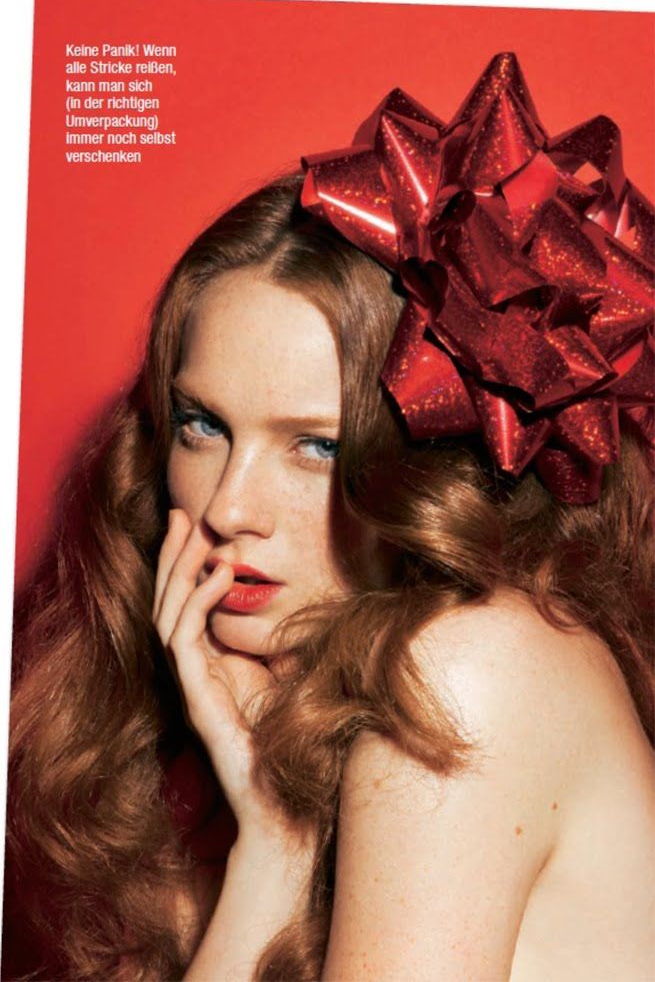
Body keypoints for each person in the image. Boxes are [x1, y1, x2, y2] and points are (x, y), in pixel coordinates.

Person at [3, 52, 654, 981]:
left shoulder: (468, 670)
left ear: (433, 474)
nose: (227, 507)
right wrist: (272, 844)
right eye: (201, 426)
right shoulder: (300, 726)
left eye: (317, 446)